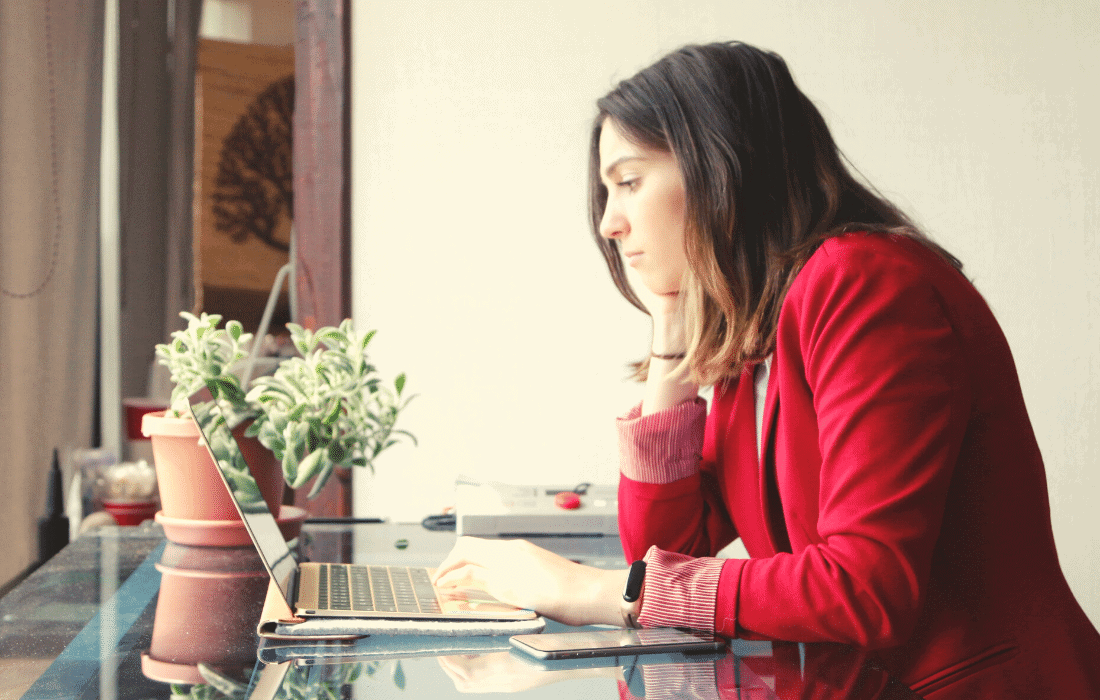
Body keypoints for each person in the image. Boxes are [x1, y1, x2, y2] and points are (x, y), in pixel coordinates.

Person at [431, 41, 1100, 697]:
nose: (609, 222)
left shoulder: (865, 282)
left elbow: (867, 588)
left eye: (629, 183)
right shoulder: (757, 333)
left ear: (721, 169)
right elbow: (668, 548)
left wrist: (601, 592)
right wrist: (671, 337)